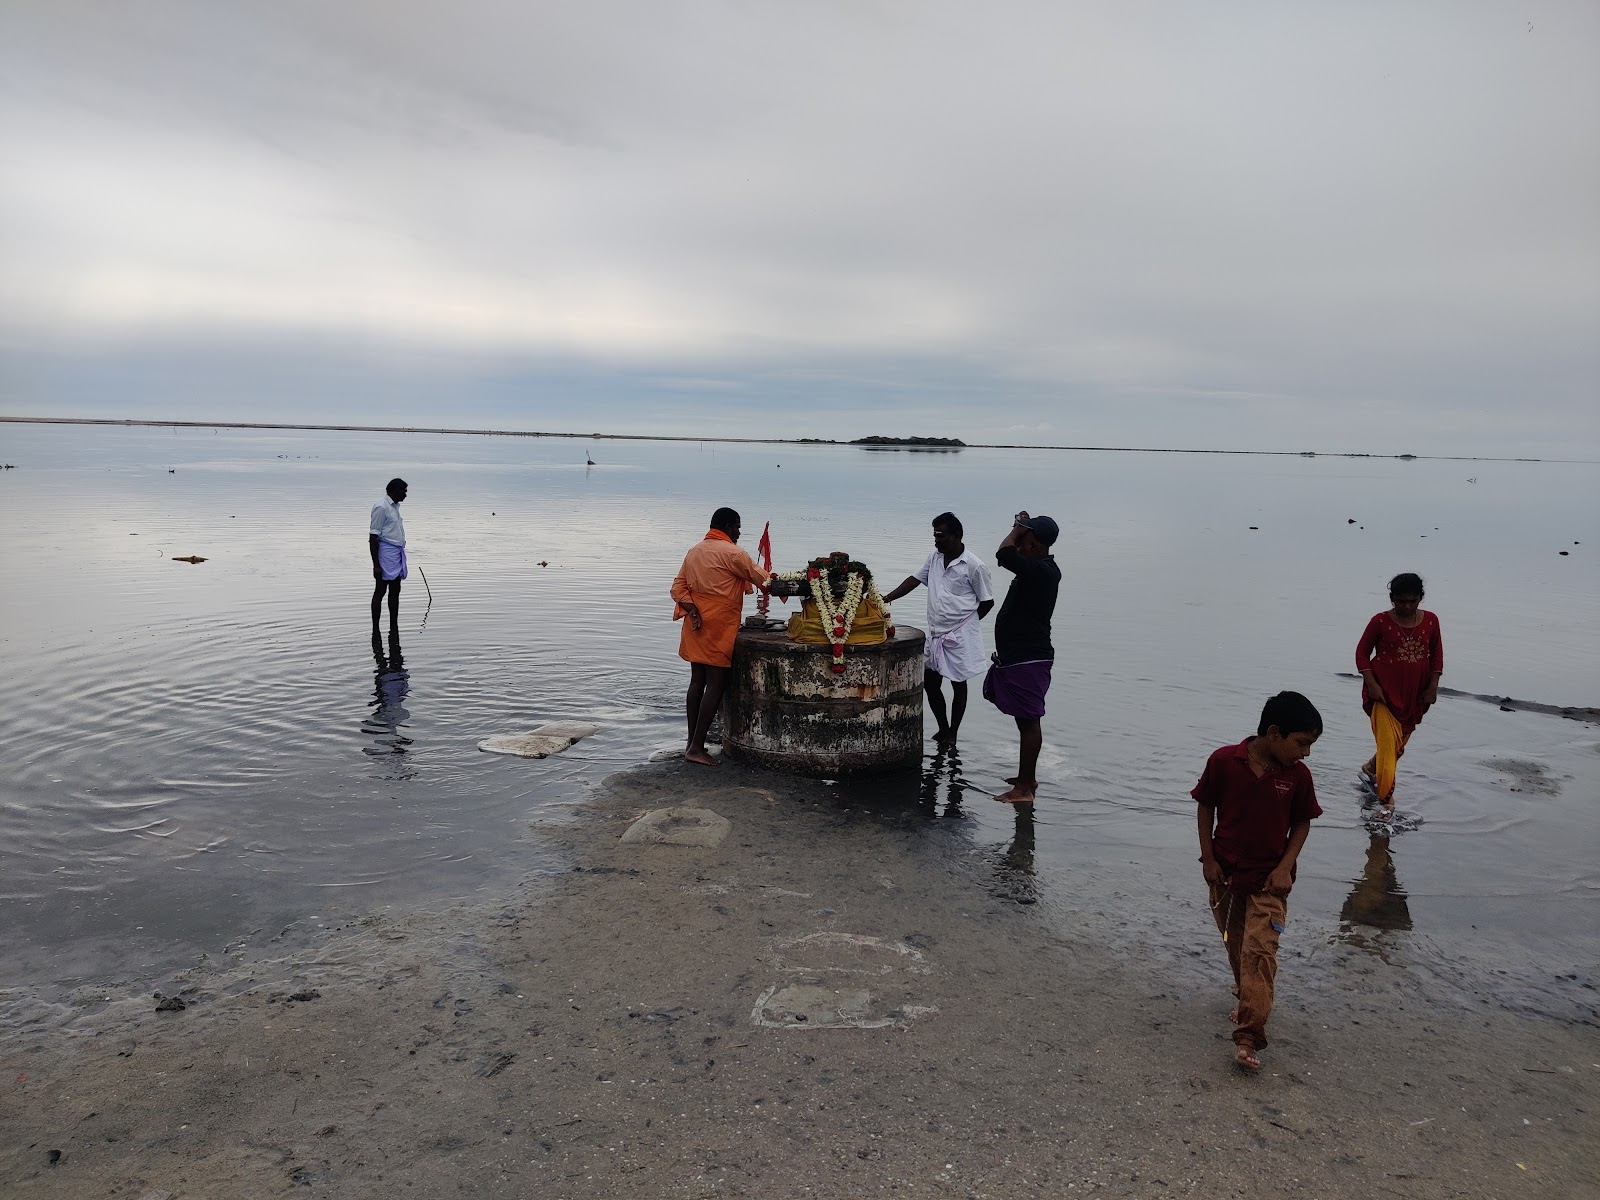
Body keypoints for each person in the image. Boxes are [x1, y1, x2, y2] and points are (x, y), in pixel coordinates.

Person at [1193, 690, 1323, 1071]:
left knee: (1261, 952)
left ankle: (1250, 1034)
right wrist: (1208, 858)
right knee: (1235, 942)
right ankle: (1245, 994)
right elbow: (1205, 805)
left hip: (1270, 882)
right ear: (1273, 732)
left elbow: (1302, 822)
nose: (1306, 753)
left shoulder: (1297, 777)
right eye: (1301, 743)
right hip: (1225, 874)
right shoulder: (1223, 761)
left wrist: (1285, 867)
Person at [880, 512, 995, 743]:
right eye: (934, 536)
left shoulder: (973, 565)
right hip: (937, 634)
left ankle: (953, 733)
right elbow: (914, 580)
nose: (936, 541)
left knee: (958, 683)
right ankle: (943, 728)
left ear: (957, 536)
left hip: (960, 634)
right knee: (931, 683)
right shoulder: (934, 558)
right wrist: (885, 598)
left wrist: (966, 626)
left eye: (941, 536)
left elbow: (987, 602)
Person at [670, 507, 770, 766]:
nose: (738, 532)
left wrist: (692, 609)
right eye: (737, 527)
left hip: (696, 624)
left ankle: (692, 742)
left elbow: (678, 587)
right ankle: (695, 748)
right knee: (716, 683)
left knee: (697, 682)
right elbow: (762, 578)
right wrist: (791, 585)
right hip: (718, 625)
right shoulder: (734, 553)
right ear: (727, 526)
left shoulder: (695, 551)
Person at [982, 512, 1061, 804]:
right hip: (1020, 656)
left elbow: (1002, 553)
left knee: (1029, 722)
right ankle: (1026, 776)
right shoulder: (1035, 567)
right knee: (1023, 719)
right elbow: (1009, 555)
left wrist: (1015, 529)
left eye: (1024, 540)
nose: (1018, 545)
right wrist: (1022, 528)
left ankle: (1025, 789)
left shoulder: (1043, 571)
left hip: (1029, 657)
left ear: (1035, 544)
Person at [1355, 572, 1443, 817]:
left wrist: (1432, 686)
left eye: (1412, 601)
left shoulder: (1431, 621)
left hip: (1414, 694)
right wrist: (1371, 684)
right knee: (1387, 746)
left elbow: (1436, 655)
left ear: (1420, 598)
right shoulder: (1380, 622)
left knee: (1397, 746)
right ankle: (1386, 800)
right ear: (1392, 598)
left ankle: (1370, 769)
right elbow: (1362, 653)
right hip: (1383, 693)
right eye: (1400, 601)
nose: (1406, 606)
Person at [369, 478, 408, 634]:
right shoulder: (381, 507)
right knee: (380, 590)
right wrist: (376, 565)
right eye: (403, 491)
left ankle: (394, 625)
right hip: (385, 554)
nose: (405, 494)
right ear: (394, 491)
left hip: (395, 553)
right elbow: (373, 538)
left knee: (395, 589)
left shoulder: (394, 507)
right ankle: (376, 628)